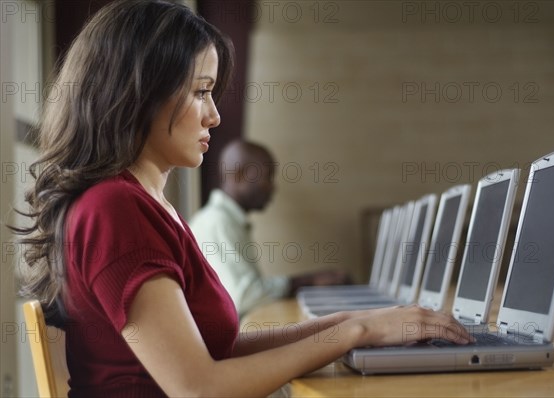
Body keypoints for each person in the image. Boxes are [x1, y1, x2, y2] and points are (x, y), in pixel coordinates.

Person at [12, 1, 473, 397]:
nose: (214, 116)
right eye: (201, 92)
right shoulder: (114, 208)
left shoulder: (146, 204)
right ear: (138, 95)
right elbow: (199, 388)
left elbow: (218, 351)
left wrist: (360, 322)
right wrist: (359, 331)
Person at [189, 139, 349, 317]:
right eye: (268, 177)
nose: (273, 187)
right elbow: (245, 296)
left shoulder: (224, 220)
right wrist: (309, 281)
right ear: (241, 175)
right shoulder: (217, 221)